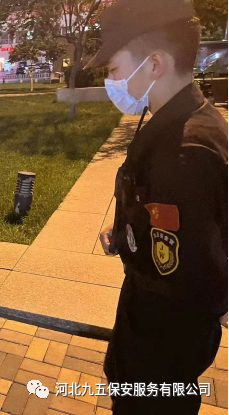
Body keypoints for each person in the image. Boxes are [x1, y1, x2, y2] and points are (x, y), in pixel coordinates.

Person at [87, 0, 228, 413]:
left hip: (159, 350)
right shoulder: (182, 121)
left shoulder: (185, 151)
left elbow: (196, 268)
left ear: (154, 64)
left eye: (115, 69)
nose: (112, 82)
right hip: (160, 342)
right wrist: (127, 232)